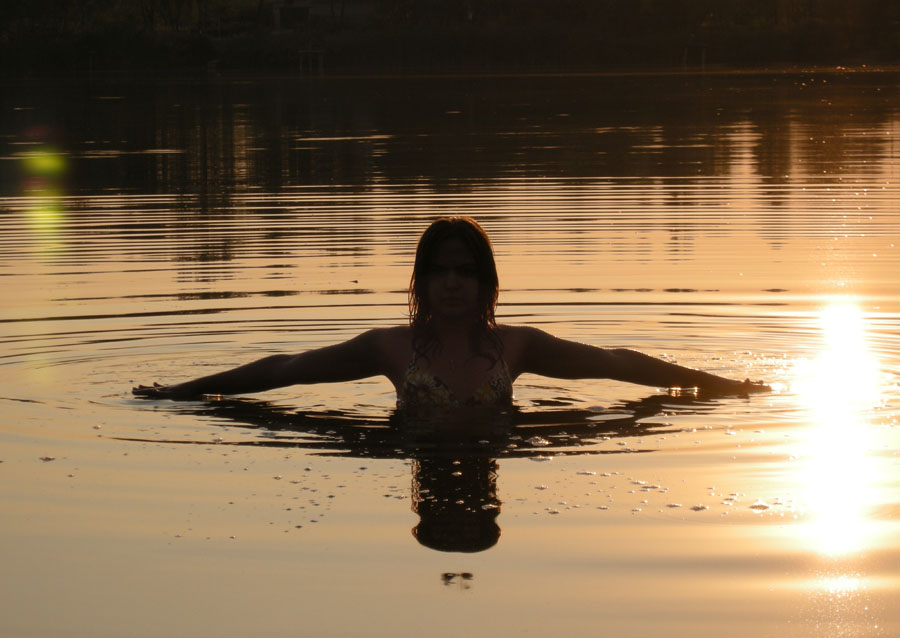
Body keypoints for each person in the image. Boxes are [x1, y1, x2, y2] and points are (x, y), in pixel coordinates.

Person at [133, 217, 770, 404]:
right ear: (420, 281)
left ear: (486, 281)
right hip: (414, 449)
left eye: (465, 271)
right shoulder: (389, 348)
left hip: (498, 444)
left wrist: (718, 385)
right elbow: (287, 368)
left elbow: (615, 364)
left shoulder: (516, 348)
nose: (452, 284)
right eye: (438, 272)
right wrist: (180, 393)